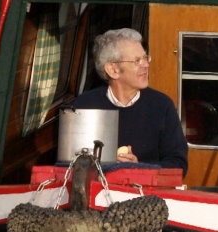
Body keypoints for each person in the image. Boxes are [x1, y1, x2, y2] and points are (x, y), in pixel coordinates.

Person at [70, 28, 189, 175]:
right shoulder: (85, 105)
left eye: (145, 58)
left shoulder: (162, 105)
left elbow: (178, 165)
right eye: (137, 61)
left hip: (146, 189)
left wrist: (138, 168)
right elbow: (71, 164)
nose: (146, 65)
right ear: (113, 70)